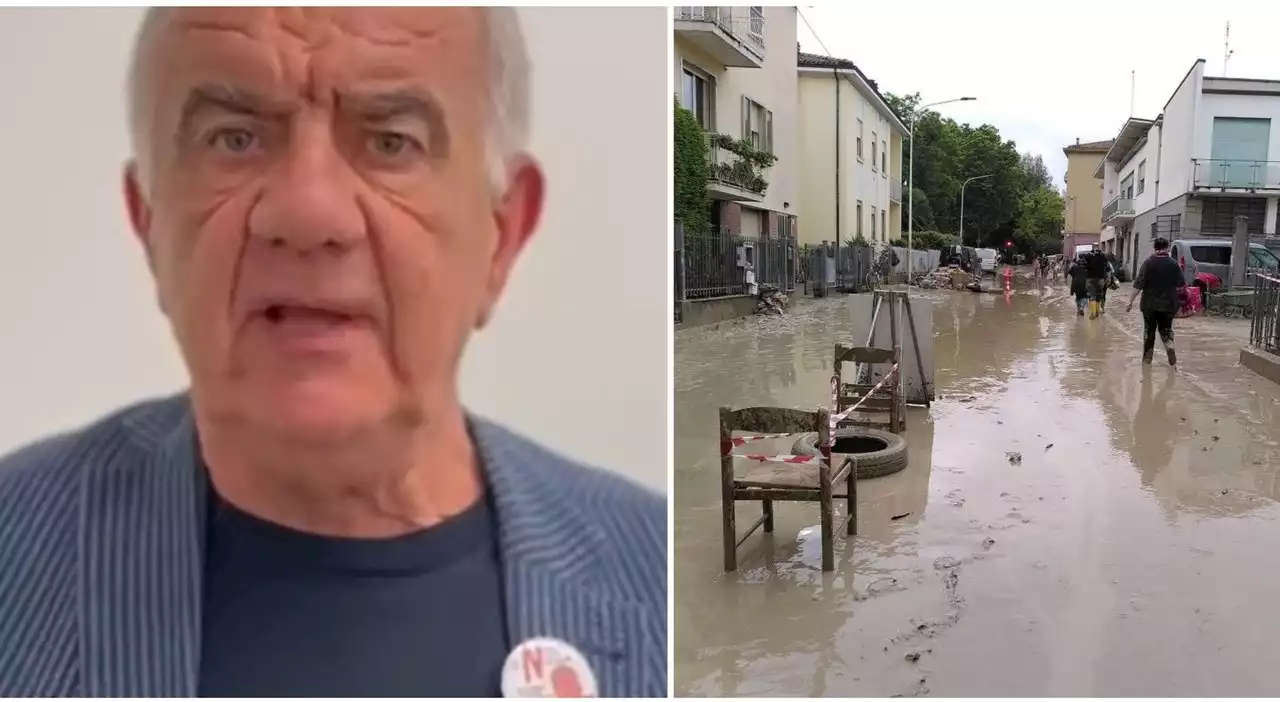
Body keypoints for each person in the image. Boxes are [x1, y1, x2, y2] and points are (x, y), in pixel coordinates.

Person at [0, 8, 665, 698]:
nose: (308, 212)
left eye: (390, 142)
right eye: (234, 138)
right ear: (148, 226)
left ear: (502, 236)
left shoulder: (654, 573)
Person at [1127, 237, 1187, 366]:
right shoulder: (1173, 264)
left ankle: (1147, 360)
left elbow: (1139, 284)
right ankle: (1169, 345)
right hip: (1168, 304)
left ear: (1154, 248)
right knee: (1166, 329)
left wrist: (1130, 301)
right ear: (1167, 248)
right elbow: (1181, 284)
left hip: (1149, 304)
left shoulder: (1148, 263)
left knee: (1149, 331)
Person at [1083, 244, 1110, 318]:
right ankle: (1097, 312)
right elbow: (1107, 267)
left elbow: (1084, 266)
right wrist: (1108, 278)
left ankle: (1093, 313)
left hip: (1090, 278)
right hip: (1100, 279)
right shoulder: (1103, 256)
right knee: (1098, 295)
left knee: (1092, 295)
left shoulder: (1087, 256)